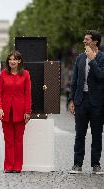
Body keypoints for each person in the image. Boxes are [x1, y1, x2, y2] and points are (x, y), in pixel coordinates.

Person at [68, 30, 104, 174]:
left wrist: (93, 60)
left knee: (96, 134)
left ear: (95, 41)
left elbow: (101, 76)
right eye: (84, 39)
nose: (84, 42)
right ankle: (77, 164)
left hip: (97, 102)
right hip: (81, 100)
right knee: (79, 134)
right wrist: (71, 99)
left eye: (87, 39)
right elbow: (75, 81)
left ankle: (96, 165)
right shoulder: (80, 58)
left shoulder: (102, 57)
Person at [0, 50, 31, 173]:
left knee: (18, 140)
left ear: (19, 61)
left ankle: (17, 166)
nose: (12, 61)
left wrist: (28, 111)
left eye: (15, 59)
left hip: (20, 111)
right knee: (8, 140)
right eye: (10, 59)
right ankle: (8, 165)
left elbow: (28, 94)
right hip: (5, 112)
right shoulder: (3, 74)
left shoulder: (26, 74)